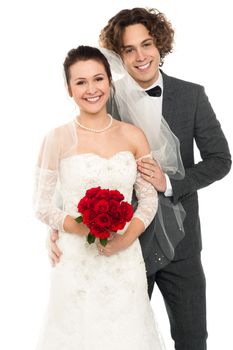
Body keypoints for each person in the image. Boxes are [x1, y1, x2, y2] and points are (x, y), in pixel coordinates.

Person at [47, 7, 232, 350]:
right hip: (122, 244)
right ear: (118, 56)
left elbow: (221, 160)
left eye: (146, 44)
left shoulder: (192, 96)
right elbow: (77, 163)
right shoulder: (103, 96)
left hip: (182, 244)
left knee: (192, 339)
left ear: (160, 45)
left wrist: (171, 183)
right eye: (128, 49)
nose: (140, 56)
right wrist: (57, 226)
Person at [34, 45, 169, 349]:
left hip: (125, 260)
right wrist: (82, 228)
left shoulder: (133, 135)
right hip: (76, 260)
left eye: (98, 79)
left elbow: (148, 200)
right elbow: (42, 206)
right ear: (69, 88)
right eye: (80, 82)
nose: (91, 89)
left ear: (110, 82)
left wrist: (124, 237)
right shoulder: (56, 138)